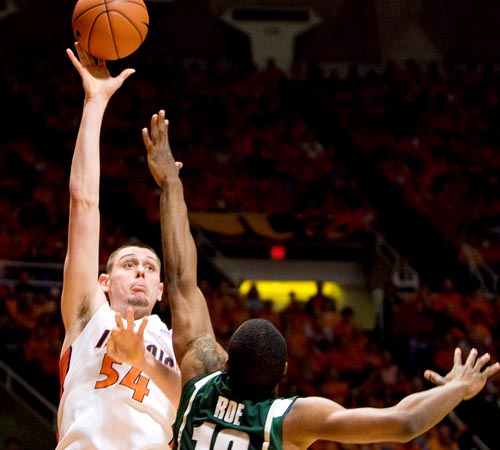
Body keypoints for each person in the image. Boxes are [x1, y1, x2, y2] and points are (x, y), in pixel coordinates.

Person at [106, 113, 500, 450]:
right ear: (284, 372)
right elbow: (404, 422)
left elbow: (180, 278)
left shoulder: (199, 380)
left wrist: (170, 183)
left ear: (225, 362)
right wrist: (458, 388)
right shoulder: (291, 420)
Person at [57, 44, 181, 449]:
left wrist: (141, 358)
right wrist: (95, 102)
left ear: (161, 291)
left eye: (150, 267)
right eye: (128, 264)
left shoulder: (174, 341)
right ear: (104, 282)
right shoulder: (88, 315)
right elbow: (83, 203)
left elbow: (194, 406)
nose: (141, 269)